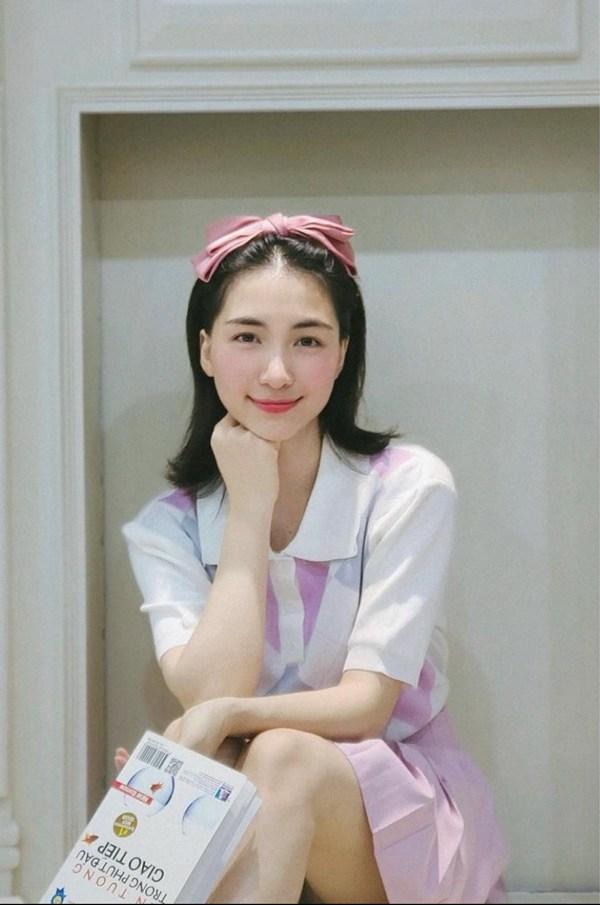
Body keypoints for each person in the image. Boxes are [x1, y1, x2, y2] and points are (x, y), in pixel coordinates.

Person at [115, 213, 509, 904]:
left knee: (276, 755)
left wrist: (225, 721)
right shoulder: (166, 528)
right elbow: (208, 693)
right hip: (250, 814)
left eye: (308, 340)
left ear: (343, 351)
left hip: (399, 818)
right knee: (242, 760)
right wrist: (248, 508)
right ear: (206, 350)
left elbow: (366, 705)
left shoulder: (406, 488)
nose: (277, 371)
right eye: (247, 337)